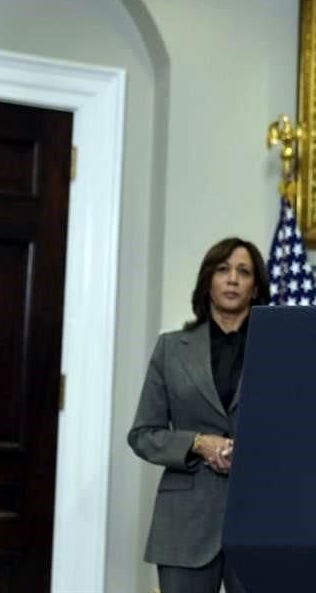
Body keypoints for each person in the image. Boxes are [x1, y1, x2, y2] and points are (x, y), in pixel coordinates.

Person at [128, 237, 270, 593]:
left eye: (244, 271)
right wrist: (198, 443)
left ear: (256, 288)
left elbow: (295, 430)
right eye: (223, 270)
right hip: (184, 523)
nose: (233, 279)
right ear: (208, 280)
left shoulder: (277, 348)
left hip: (259, 517)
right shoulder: (171, 348)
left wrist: (251, 451)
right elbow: (144, 433)